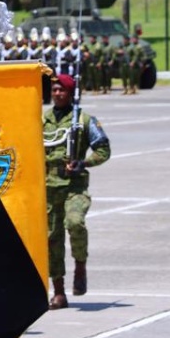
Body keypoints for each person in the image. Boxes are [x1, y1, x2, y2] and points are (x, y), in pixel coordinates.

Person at [43, 74, 111, 309]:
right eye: (54, 90)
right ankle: (59, 291)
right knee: (51, 239)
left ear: (71, 93)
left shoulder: (83, 120)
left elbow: (103, 150)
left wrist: (84, 163)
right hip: (49, 188)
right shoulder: (42, 121)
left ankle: (80, 265)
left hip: (74, 186)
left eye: (62, 90)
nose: (57, 94)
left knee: (75, 223)